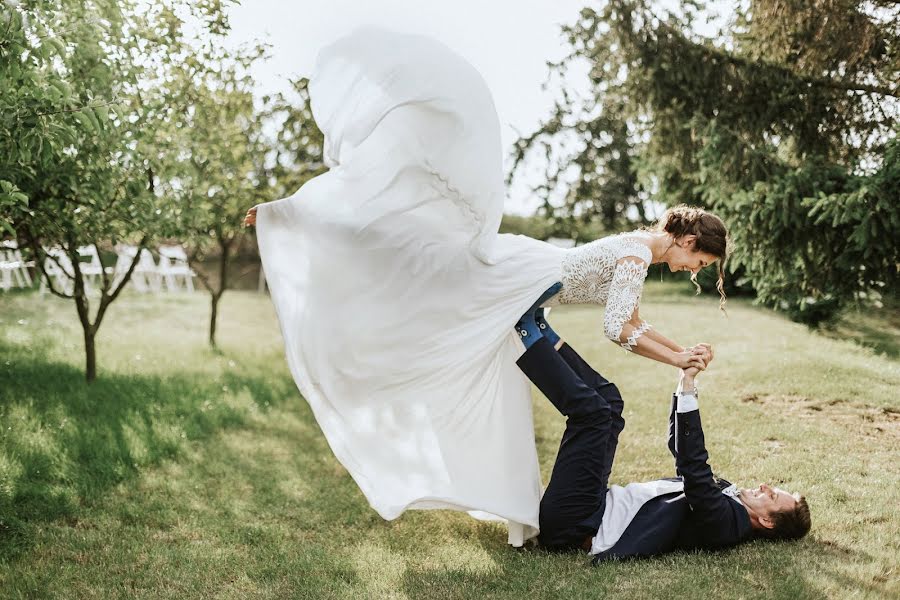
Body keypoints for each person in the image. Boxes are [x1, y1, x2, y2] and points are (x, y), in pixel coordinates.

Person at [243, 27, 723, 545]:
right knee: (418, 244)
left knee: (605, 400)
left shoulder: (640, 246)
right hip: (511, 307)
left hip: (528, 306)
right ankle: (564, 527)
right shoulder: (635, 254)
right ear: (688, 238)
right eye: (699, 260)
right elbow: (616, 328)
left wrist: (682, 351)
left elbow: (631, 320)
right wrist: (676, 360)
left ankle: (570, 515)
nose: (692, 270)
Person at [514, 310, 811, 558]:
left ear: (767, 522)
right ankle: (544, 334)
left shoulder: (725, 525)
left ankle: (525, 334)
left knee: (593, 416)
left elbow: (691, 464)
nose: (766, 486)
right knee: (611, 402)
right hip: (594, 501)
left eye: (772, 496)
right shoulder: (730, 499)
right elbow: (677, 444)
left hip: (575, 523)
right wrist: (682, 382)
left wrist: (690, 387)